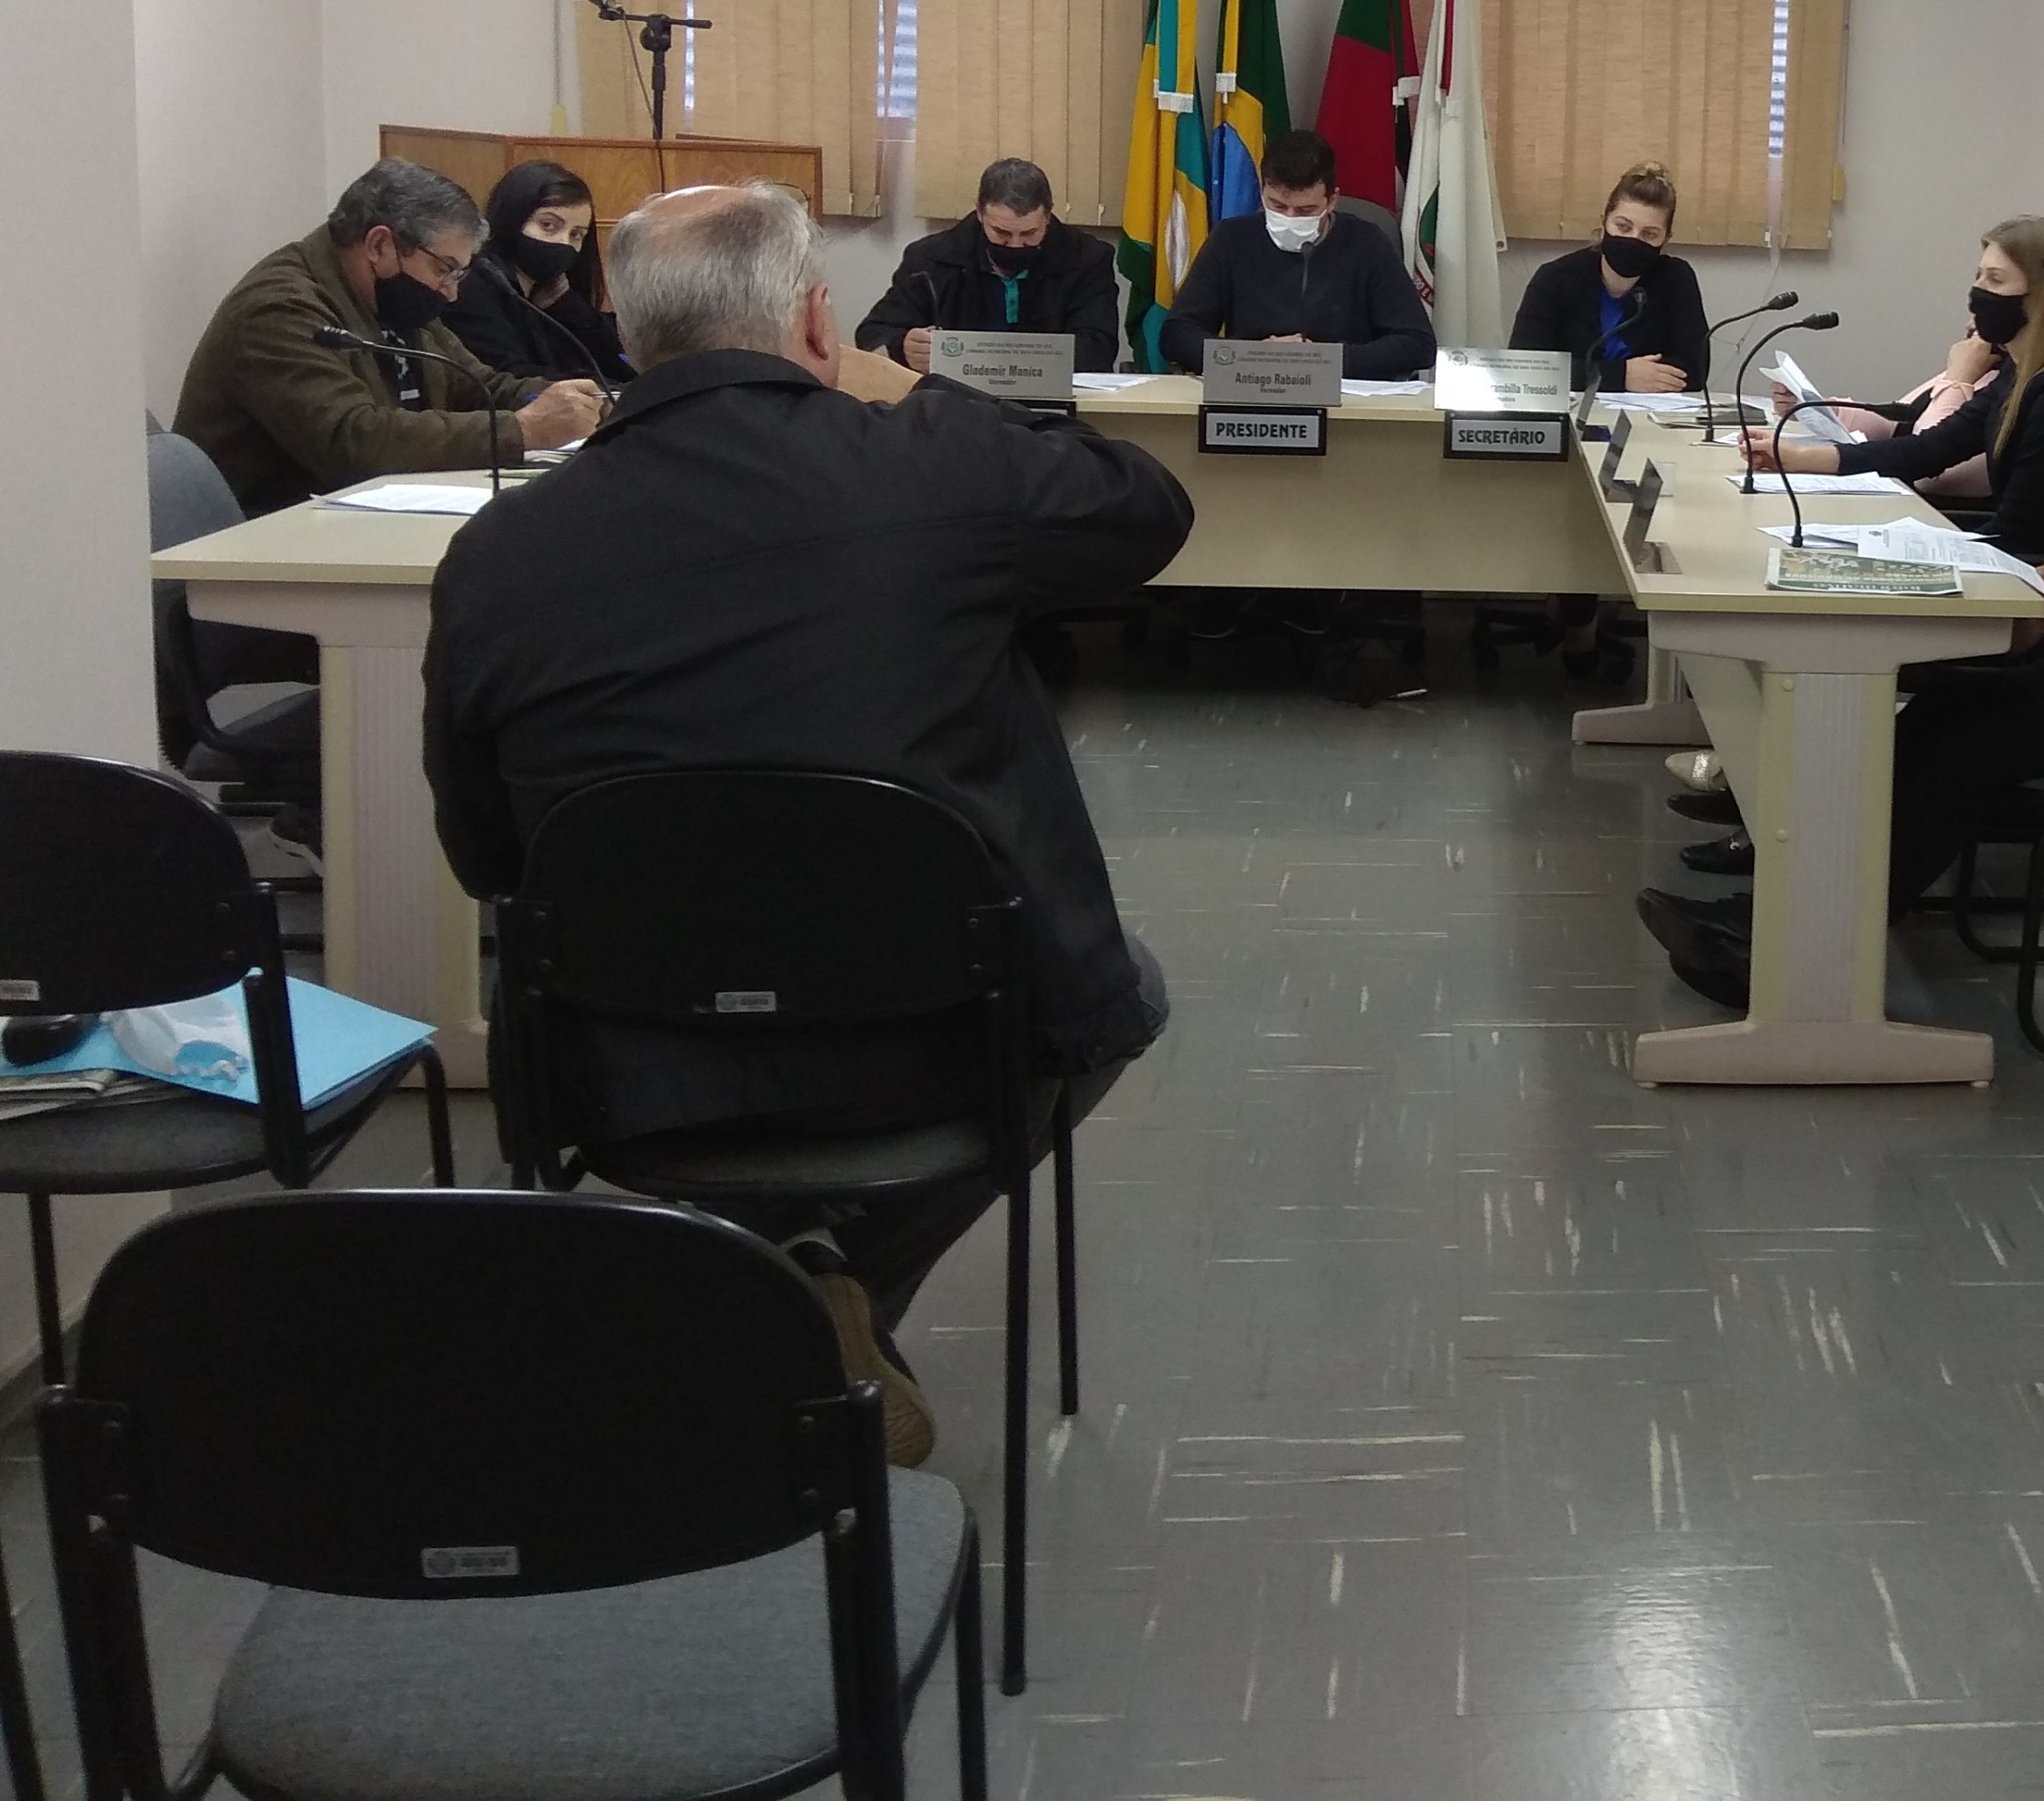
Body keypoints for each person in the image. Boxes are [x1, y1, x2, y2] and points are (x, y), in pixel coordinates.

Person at [425, 181, 1190, 1465]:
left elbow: (486, 857)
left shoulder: (498, 553)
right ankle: (823, 1289)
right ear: (819, 323)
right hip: (934, 1038)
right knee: (1123, 993)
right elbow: (1148, 509)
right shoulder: (933, 468)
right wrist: (921, 394)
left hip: (628, 1052)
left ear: (628, 334)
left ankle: (764, 1281)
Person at [1640, 216, 2044, 1002]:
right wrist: (2023, 590)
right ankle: (1788, 923)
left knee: (1966, 749)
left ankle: (1794, 962)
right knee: (1936, 714)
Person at [173, 159, 607, 518]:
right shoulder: (279, 309)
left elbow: (479, 385)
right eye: (445, 270)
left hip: (357, 522)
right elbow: (353, 440)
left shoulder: (394, 297)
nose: (452, 293)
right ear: (380, 245)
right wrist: (523, 430)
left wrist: (587, 402)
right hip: (265, 546)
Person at [1743, 217, 2044, 563]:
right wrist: (1797, 458)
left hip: (2033, 568)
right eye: (1978, 276)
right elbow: (1929, 449)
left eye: (1995, 279)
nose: (1977, 291)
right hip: (2005, 550)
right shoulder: (2016, 374)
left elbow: (2022, 533)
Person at [1163, 129, 1435, 379]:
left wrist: (1323, 360)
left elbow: (1417, 343)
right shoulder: (1232, 238)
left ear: (1332, 200)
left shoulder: (1367, 242)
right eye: (1278, 206)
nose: (1290, 218)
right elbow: (1176, 334)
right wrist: (1252, 356)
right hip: (1253, 385)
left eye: (1305, 210)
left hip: (1345, 395)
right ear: (1262, 191)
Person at [858, 157, 1125, 373]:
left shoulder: (1087, 259)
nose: (1016, 245)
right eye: (1002, 233)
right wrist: (903, 346)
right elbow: (873, 333)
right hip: (954, 403)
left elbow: (1098, 349)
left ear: (1048, 216)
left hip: (1053, 404)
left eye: (1029, 233)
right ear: (979, 213)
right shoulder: (929, 259)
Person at [1507, 164, 1713, 393]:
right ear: (1604, 222)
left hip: (1647, 412)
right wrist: (1619, 376)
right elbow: (1526, 369)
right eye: (1623, 227)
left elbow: (1694, 371)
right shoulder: (1555, 278)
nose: (1634, 239)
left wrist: (1583, 374)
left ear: (1666, 239)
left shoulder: (1676, 278)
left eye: (1649, 234)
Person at [441, 159, 632, 387]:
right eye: (548, 225)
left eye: (576, 234)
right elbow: (507, 375)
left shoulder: (551, 295)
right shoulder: (472, 285)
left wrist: (571, 309)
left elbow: (623, 361)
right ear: (513, 217)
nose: (563, 242)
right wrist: (604, 390)